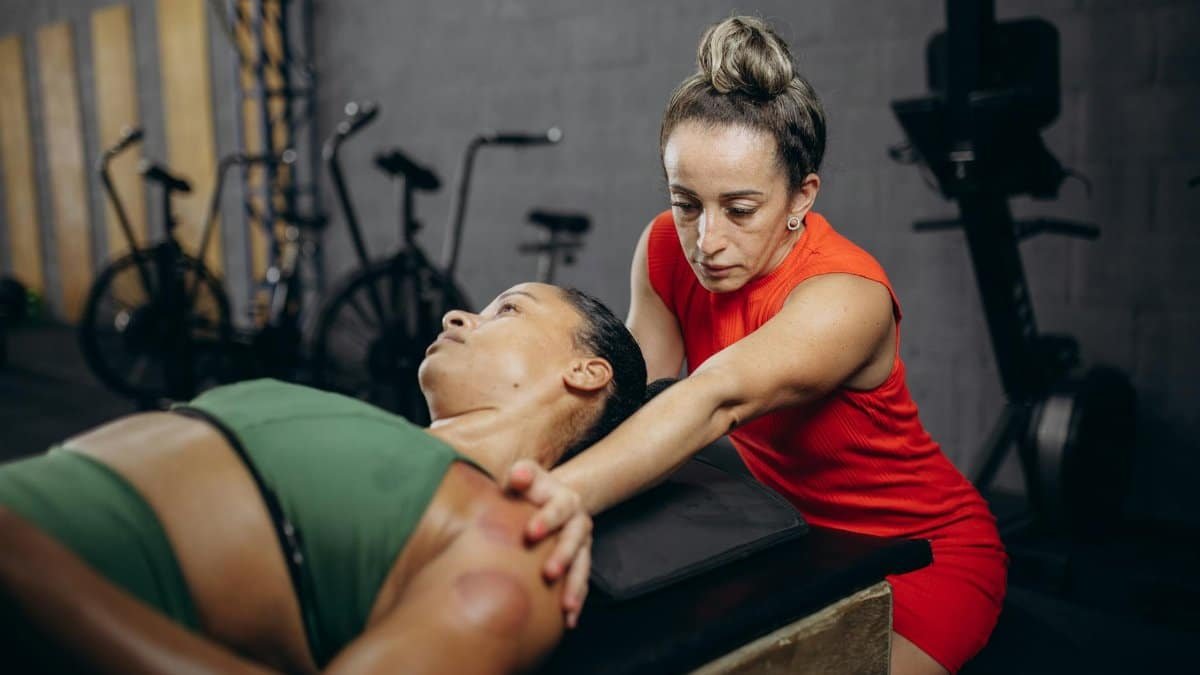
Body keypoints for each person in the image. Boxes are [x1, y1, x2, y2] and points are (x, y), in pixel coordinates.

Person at [510, 16, 1008, 675]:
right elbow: (630, 398)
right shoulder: (666, 248)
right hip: (799, 544)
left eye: (739, 209)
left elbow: (712, 398)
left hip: (921, 551)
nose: (706, 239)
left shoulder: (846, 296)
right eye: (686, 201)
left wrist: (548, 501)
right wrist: (497, 463)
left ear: (802, 196)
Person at [0, 282, 646, 674]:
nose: (455, 316)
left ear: (586, 372)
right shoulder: (370, 430)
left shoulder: (517, 543)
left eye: (506, 309)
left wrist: (23, 557)